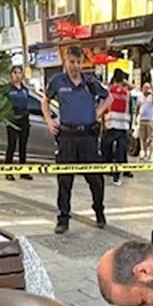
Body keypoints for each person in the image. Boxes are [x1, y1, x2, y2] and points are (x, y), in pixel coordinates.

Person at [42, 45, 110, 233]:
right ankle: (63, 219)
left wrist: (97, 113)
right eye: (71, 62)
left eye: (78, 62)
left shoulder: (90, 82)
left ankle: (99, 211)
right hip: (67, 136)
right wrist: (49, 121)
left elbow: (108, 98)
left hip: (87, 137)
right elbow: (45, 101)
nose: (75, 66)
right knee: (65, 180)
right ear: (66, 61)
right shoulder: (57, 81)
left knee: (95, 179)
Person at [101, 69, 132, 186]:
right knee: (120, 152)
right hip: (123, 125)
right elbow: (130, 109)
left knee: (106, 147)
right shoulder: (126, 93)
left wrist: (102, 122)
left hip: (111, 124)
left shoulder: (109, 91)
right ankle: (116, 176)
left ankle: (109, 169)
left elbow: (104, 107)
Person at [3, 65, 34, 181]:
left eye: (19, 73)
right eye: (15, 72)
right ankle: (8, 171)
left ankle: (23, 171)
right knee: (11, 146)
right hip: (12, 119)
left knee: (23, 146)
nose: (17, 75)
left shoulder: (25, 89)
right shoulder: (8, 89)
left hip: (24, 119)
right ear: (11, 75)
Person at [135, 81, 153, 160]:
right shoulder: (140, 97)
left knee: (150, 138)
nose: (146, 89)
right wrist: (136, 118)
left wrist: (152, 93)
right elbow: (137, 108)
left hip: (150, 120)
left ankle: (150, 155)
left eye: (148, 88)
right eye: (145, 88)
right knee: (142, 138)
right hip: (142, 119)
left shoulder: (152, 97)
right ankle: (144, 153)